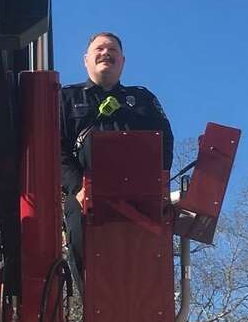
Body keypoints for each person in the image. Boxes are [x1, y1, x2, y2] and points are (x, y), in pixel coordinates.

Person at [60, 32, 173, 284]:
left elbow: (165, 143)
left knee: (145, 268)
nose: (106, 53)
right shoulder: (65, 99)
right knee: (90, 266)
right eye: (99, 49)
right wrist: (77, 187)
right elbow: (55, 150)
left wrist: (157, 182)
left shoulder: (143, 98)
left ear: (122, 61)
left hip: (140, 196)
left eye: (112, 50)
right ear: (85, 59)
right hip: (84, 197)